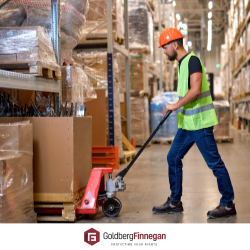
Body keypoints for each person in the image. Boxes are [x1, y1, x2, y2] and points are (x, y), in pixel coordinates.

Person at [152, 28, 236, 219]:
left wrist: (174, 105)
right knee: (173, 157)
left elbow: (196, 90)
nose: (164, 51)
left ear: (175, 44)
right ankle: (175, 202)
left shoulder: (192, 61)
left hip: (200, 124)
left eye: (165, 47)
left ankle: (228, 204)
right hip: (187, 125)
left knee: (214, 163)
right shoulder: (181, 65)